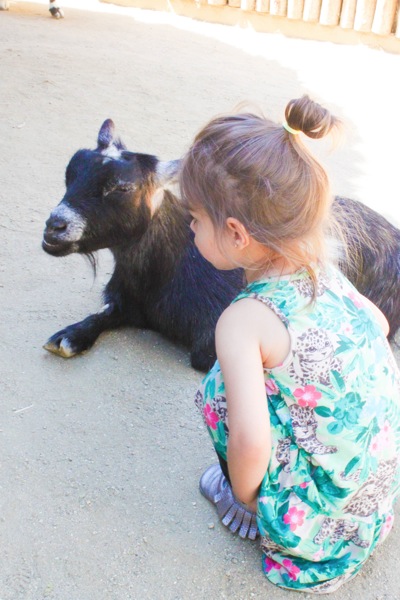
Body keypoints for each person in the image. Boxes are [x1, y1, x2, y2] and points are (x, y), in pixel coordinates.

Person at [179, 95, 400, 594]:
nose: (189, 227)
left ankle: (254, 511)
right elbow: (378, 325)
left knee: (220, 392)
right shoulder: (324, 262)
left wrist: (242, 491)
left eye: (194, 217)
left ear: (236, 233)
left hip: (320, 534)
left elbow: (252, 442)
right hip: (371, 499)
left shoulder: (243, 321)